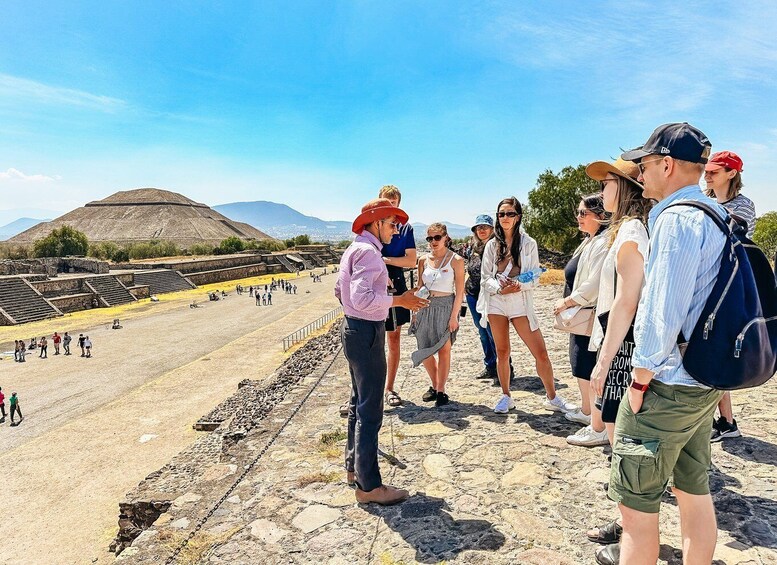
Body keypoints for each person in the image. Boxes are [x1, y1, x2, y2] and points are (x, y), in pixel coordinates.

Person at [595, 123, 726, 565]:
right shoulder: (716, 214)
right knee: (693, 491)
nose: (641, 173)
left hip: (665, 384)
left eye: (646, 164)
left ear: (667, 165)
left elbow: (660, 311)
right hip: (703, 380)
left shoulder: (674, 219)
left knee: (636, 511)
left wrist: (638, 381)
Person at [335, 197, 429, 505]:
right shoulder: (370, 254)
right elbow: (361, 299)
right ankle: (369, 485)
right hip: (366, 330)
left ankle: (354, 468)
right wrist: (398, 300)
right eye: (392, 224)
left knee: (358, 400)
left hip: (354, 328)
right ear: (376, 223)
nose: (396, 230)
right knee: (370, 409)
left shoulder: (355, 249)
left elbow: (341, 291)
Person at [569, 160, 651, 449]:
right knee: (616, 419)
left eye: (606, 184)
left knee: (620, 423)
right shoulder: (626, 230)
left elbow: (627, 301)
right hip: (618, 337)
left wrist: (603, 361)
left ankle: (628, 490)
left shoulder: (630, 233)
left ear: (625, 187)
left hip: (623, 342)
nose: (601, 192)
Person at [478, 197, 575, 414]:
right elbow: (486, 278)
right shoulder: (492, 245)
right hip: (497, 303)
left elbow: (535, 276)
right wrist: (499, 288)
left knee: (540, 352)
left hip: (520, 303)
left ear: (518, 216)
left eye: (510, 213)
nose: (505, 218)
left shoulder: (529, 243)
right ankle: (506, 395)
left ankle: (552, 396)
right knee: (502, 351)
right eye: (501, 214)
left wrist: (517, 286)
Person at [704, 150, 752, 442]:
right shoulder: (707, 201)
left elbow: (724, 236)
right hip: (710, 285)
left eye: (714, 172)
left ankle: (720, 422)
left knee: (715, 353)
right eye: (707, 171)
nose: (707, 175)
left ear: (732, 173)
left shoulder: (743, 206)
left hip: (730, 288)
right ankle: (725, 421)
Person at [553, 193, 610, 428]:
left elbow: (594, 283)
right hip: (580, 311)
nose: (578, 217)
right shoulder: (590, 239)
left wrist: (568, 302)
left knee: (585, 362)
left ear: (600, 216)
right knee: (579, 361)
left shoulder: (603, 242)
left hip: (588, 311)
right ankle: (587, 409)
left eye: (583, 213)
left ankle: (592, 416)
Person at [410, 223, 465, 407]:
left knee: (444, 349)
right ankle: (435, 384)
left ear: (445, 237)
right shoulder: (423, 260)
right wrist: (415, 311)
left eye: (437, 237)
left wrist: (454, 316)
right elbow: (420, 287)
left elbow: (460, 291)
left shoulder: (456, 260)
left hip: (445, 306)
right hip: (425, 306)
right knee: (424, 348)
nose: (433, 242)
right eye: (429, 238)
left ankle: (441, 390)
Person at [378, 185, 417, 408]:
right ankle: (364, 390)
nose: (390, 207)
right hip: (374, 281)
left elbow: (411, 260)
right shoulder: (371, 225)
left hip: (396, 280)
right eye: (386, 202)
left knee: (393, 338)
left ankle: (390, 387)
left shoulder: (405, 228)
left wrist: (385, 261)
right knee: (371, 339)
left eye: (394, 203)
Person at [465, 215, 499, 380]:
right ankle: (490, 365)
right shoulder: (474, 247)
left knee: (493, 332)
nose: (482, 230)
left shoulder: (497, 247)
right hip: (472, 294)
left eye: (485, 227)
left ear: (492, 229)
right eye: (478, 228)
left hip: (490, 295)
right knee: (482, 331)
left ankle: (504, 367)